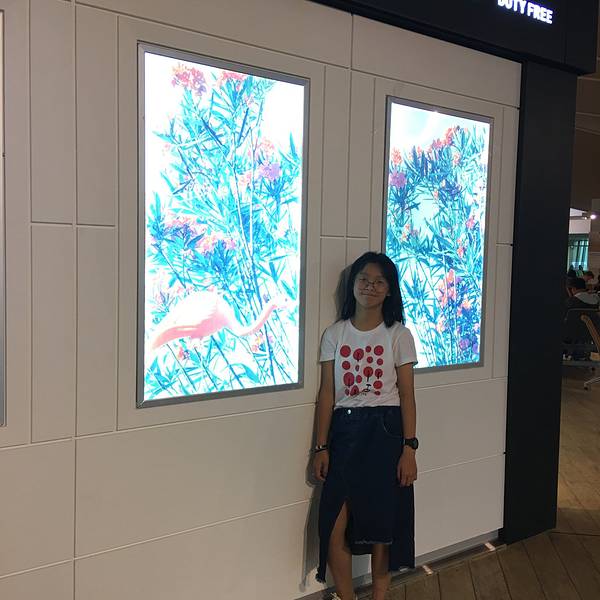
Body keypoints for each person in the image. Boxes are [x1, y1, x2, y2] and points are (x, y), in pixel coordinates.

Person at [313, 251, 418, 600]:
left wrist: (409, 448)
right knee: (333, 522)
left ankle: (379, 597)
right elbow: (327, 394)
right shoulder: (335, 333)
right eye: (363, 279)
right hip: (344, 432)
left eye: (379, 282)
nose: (370, 287)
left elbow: (407, 395)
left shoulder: (398, 334)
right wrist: (321, 446)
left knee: (382, 528)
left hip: (385, 431)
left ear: (389, 290)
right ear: (352, 285)